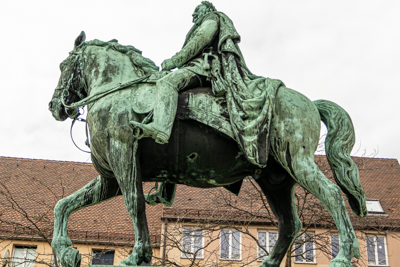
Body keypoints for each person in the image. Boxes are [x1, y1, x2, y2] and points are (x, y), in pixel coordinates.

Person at [131, 1, 283, 168]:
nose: (193, 15)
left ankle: (160, 128)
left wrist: (175, 60)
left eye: (197, 11)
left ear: (208, 9)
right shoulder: (206, 20)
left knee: (167, 83)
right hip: (199, 66)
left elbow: (200, 39)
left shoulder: (212, 18)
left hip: (205, 68)